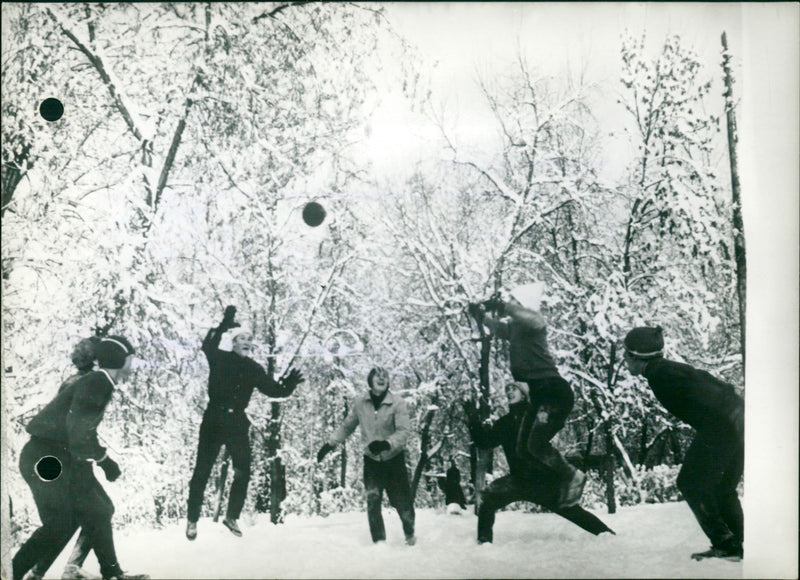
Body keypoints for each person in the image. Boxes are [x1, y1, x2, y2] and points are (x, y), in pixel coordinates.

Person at [13, 335, 148, 580]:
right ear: (119, 360)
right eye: (130, 360)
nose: (132, 366)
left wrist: (94, 463)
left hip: (64, 456)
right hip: (46, 458)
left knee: (100, 509)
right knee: (59, 524)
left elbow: (80, 432)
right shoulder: (97, 382)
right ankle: (11, 573)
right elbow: (78, 431)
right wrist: (105, 460)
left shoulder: (100, 381)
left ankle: (112, 573)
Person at [623, 326, 744, 561]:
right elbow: (715, 387)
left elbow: (709, 396)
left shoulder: (661, 375)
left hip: (723, 424)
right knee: (722, 488)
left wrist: (719, 424)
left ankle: (725, 543)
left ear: (639, 357)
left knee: (691, 482)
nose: (624, 360)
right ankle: (739, 543)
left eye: (627, 355)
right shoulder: (667, 370)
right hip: (739, 419)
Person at [186, 305, 304, 540]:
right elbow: (207, 345)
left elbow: (274, 390)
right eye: (243, 338)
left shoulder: (254, 369)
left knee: (243, 470)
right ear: (234, 342)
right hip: (214, 419)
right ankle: (192, 519)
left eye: (250, 339)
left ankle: (231, 516)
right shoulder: (219, 358)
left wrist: (289, 384)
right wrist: (223, 324)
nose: (248, 342)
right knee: (203, 469)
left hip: (237, 422)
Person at [474, 283, 586, 508]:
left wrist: (504, 305)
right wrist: (481, 316)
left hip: (552, 392)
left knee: (535, 443)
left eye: (515, 303)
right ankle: (554, 482)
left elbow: (533, 318)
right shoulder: (516, 329)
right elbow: (498, 328)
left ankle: (573, 476)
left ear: (524, 306)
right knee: (523, 448)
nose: (511, 307)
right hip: (538, 395)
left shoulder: (535, 324)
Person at [465, 382, 614, 544]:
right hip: (518, 480)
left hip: (543, 480)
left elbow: (556, 422)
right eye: (507, 389)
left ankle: (608, 536)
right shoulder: (504, 423)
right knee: (488, 500)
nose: (509, 391)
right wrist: (473, 419)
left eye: (513, 388)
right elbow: (484, 441)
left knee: (570, 510)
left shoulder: (537, 417)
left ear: (524, 394)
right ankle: (484, 543)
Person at [25, 337, 102, 580]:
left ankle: (38, 572)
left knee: (69, 520)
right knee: (92, 513)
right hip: (62, 458)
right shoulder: (86, 384)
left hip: (59, 456)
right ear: (96, 361)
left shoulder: (72, 381)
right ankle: (65, 569)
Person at [316, 367, 416, 546]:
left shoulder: (397, 403)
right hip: (371, 461)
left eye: (385, 376)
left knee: (402, 503)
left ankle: (410, 534)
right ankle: (379, 542)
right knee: (373, 499)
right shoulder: (361, 402)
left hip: (394, 459)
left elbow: (404, 431)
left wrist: (387, 443)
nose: (382, 378)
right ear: (370, 380)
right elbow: (347, 426)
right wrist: (329, 444)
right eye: (377, 376)